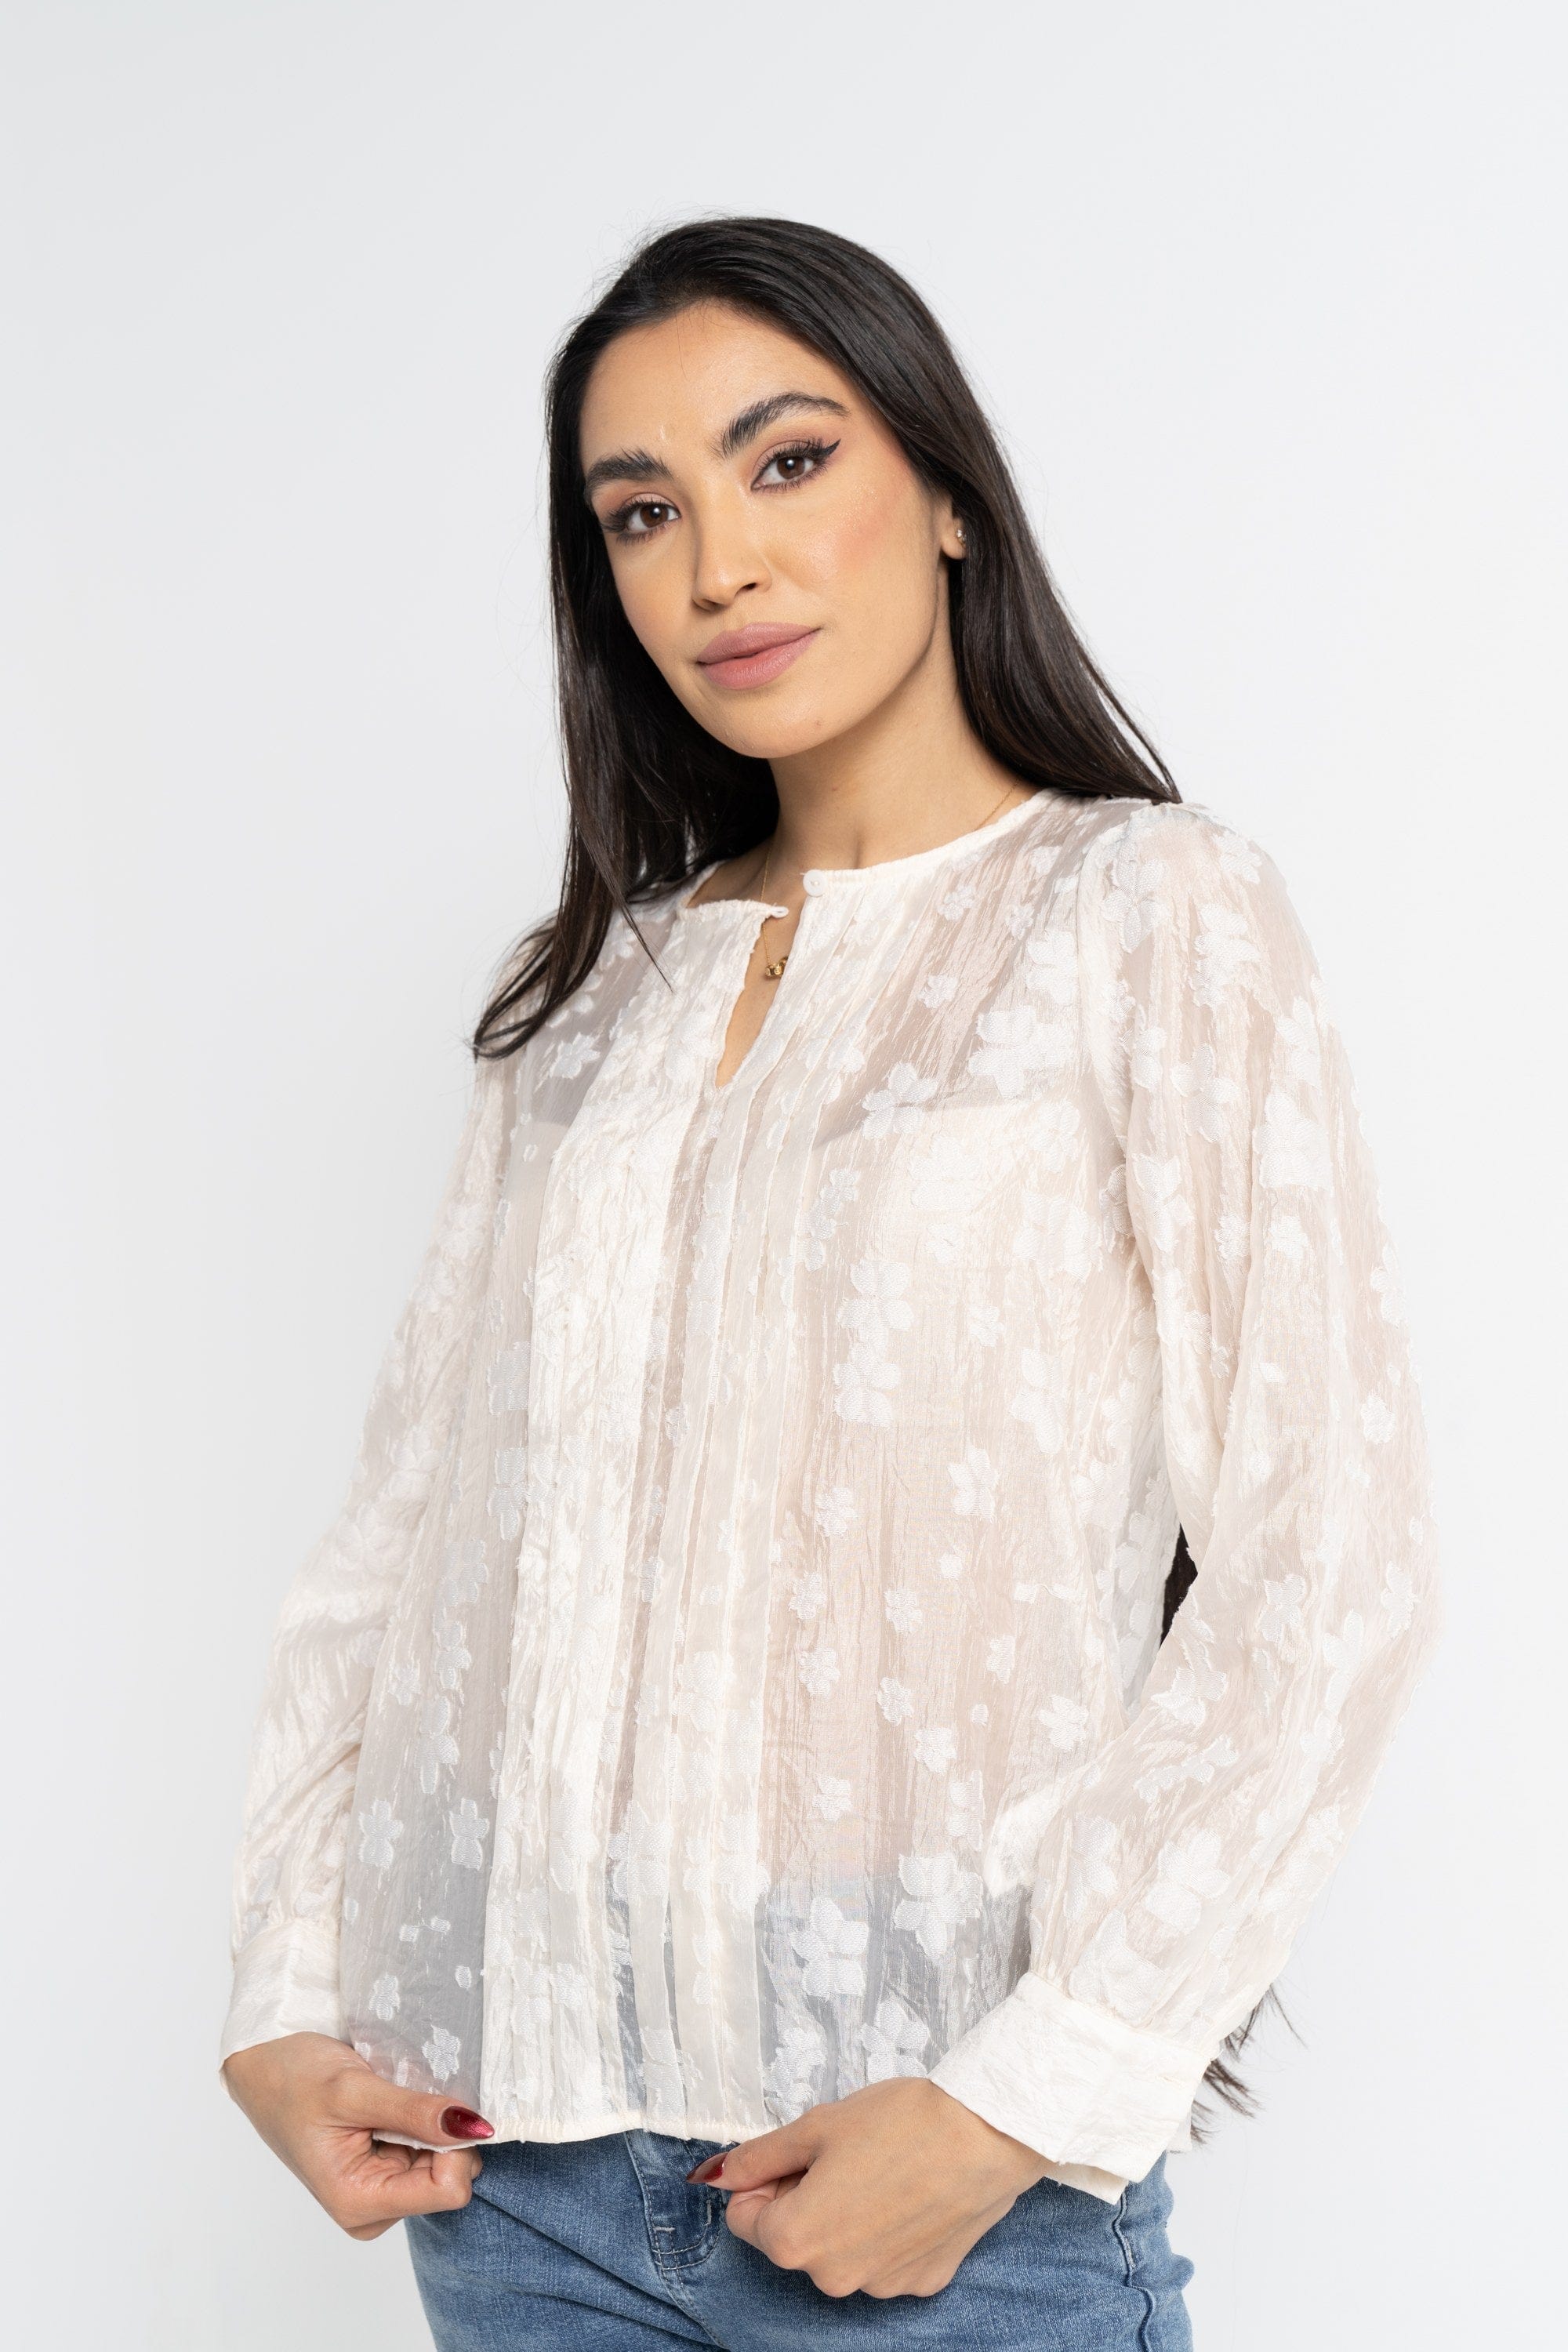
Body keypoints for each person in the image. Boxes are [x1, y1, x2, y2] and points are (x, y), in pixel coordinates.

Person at [220, 216, 1443, 2348]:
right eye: (642, 512)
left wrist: (1011, 2108)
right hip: (513, 2186)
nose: (721, 566)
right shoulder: (594, 1001)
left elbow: (1328, 1557)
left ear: (949, 492)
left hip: (937, 2197)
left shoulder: (1147, 917)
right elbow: (407, 1547)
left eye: (787, 463)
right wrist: (289, 1986)